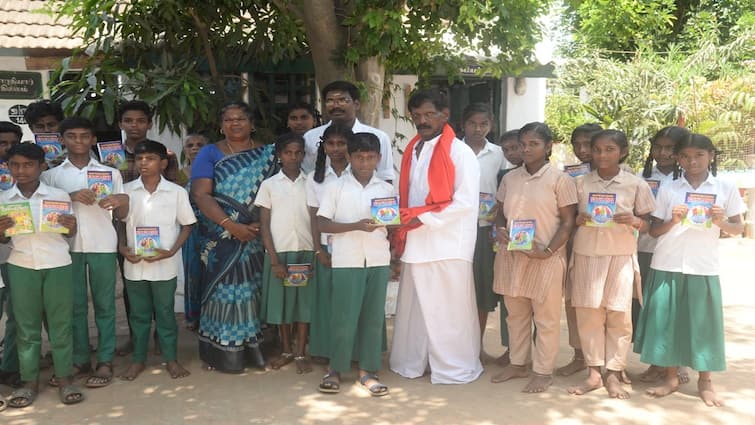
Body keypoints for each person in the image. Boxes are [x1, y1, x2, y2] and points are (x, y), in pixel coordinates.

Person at [634, 133, 744, 407]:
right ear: (677, 158)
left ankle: (705, 381)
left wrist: (720, 222)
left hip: (702, 266)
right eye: (685, 156)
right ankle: (670, 378)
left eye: (699, 155)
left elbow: (738, 228)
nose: (692, 161)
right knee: (667, 322)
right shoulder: (669, 189)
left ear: (711, 156)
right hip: (667, 262)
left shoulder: (725, 186)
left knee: (703, 325)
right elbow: (655, 231)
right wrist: (673, 220)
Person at [389, 88, 483, 384]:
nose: (422, 120)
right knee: (416, 308)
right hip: (416, 241)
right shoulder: (414, 148)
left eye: (429, 114)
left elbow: (465, 202)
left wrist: (421, 216)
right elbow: (407, 193)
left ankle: (453, 366)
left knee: (448, 310)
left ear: (445, 115)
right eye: (417, 115)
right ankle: (416, 361)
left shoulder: (460, 152)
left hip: (448, 243)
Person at [41, 117, 129, 389]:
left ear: (93, 140)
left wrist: (120, 201)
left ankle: (105, 359)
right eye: (71, 136)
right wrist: (70, 195)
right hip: (67, 248)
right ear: (62, 140)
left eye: (84, 136)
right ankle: (80, 359)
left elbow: (123, 213)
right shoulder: (51, 175)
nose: (78, 141)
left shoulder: (110, 172)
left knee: (105, 306)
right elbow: (46, 211)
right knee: (75, 306)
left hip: (103, 244)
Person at [567, 130, 655, 399]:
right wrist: (579, 220)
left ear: (623, 152)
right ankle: (594, 373)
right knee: (588, 314)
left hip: (620, 256)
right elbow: (568, 220)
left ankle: (614, 373)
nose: (602, 155)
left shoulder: (636, 184)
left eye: (609, 150)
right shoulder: (579, 183)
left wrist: (635, 221)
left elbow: (650, 224)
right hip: (586, 256)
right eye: (597, 150)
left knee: (619, 315)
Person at [191, 101, 278, 373]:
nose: (234, 123)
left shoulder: (268, 154)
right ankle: (222, 352)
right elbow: (201, 194)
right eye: (228, 119)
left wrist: (254, 226)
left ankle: (257, 350)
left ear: (252, 124)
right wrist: (231, 225)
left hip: (255, 233)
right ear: (221, 124)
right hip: (221, 236)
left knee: (253, 289)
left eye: (240, 118)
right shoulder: (209, 152)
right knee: (224, 290)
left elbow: (276, 195)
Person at [491, 122, 577, 393]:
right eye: (523, 144)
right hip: (513, 257)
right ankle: (518, 363)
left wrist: (548, 251)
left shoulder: (560, 180)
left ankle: (542, 370)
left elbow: (568, 222)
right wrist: (501, 229)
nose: (526, 149)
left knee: (546, 318)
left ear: (548, 146)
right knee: (515, 315)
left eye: (534, 144)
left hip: (545, 258)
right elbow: (501, 212)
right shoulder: (510, 178)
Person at [0, 143, 83, 408]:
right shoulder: (4, 200)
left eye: (28, 165)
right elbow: (3, 240)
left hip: (58, 263)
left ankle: (65, 378)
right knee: (26, 328)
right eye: (15, 165)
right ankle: (29, 382)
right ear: (8, 167)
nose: (21, 171)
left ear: (41, 166)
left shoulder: (58, 195)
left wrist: (71, 227)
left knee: (61, 325)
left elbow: (68, 234)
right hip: (22, 264)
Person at [316, 132, 392, 396]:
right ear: (349, 157)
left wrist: (392, 225)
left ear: (378, 158)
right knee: (343, 318)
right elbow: (322, 223)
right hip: (346, 259)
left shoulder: (386, 188)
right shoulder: (335, 187)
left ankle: (367, 371)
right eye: (359, 157)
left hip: (378, 259)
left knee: (372, 317)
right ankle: (335, 369)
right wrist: (355, 226)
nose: (364, 163)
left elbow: (392, 224)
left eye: (370, 157)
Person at [118, 140, 195, 381]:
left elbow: (187, 225)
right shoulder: (126, 190)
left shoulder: (176, 192)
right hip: (135, 264)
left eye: (150, 159)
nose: (143, 163)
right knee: (138, 316)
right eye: (139, 159)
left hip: (165, 264)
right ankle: (138, 360)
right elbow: (119, 223)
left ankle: (171, 359)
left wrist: (172, 251)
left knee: (165, 314)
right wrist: (122, 247)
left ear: (162, 163)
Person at [115, 100, 179, 357]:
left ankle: (159, 337)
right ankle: (135, 337)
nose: (134, 125)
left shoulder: (166, 155)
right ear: (121, 124)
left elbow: (175, 189)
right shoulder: (110, 155)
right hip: (125, 229)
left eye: (140, 120)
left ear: (149, 124)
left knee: (161, 292)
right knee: (133, 288)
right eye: (129, 121)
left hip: (159, 234)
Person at [635, 126, 690, 384]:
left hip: (679, 253)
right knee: (651, 308)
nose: (663, 153)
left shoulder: (689, 178)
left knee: (677, 308)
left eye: (670, 148)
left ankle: (677, 364)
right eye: (658, 147)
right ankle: (656, 361)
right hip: (644, 248)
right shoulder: (641, 176)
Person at [256, 133, 314, 374]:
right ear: (279, 155)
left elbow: (316, 219)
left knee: (303, 304)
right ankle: (286, 350)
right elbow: (264, 225)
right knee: (282, 305)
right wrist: (274, 259)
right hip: (280, 253)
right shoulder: (269, 185)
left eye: (298, 152)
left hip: (305, 252)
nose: (293, 157)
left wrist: (318, 250)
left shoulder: (311, 182)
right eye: (288, 152)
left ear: (303, 154)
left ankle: (301, 351)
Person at [556, 122, 603, 377]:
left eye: (589, 144)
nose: (583, 150)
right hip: (574, 246)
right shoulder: (569, 176)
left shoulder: (624, 175)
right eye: (578, 144)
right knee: (574, 303)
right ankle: (579, 355)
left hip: (608, 250)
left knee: (604, 305)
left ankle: (605, 361)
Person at [460, 103, 505, 362]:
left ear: (491, 126)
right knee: (457, 290)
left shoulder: (498, 154)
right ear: (463, 125)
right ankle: (456, 348)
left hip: (485, 230)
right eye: (473, 124)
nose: (478, 129)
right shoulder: (453, 150)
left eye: (484, 124)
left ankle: (476, 348)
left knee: (482, 291)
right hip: (456, 231)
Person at [306, 123, 353, 363]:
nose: (335, 149)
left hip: (355, 246)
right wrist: (317, 250)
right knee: (326, 301)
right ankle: (325, 350)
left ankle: (354, 351)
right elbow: (314, 218)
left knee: (351, 300)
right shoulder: (315, 179)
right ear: (323, 146)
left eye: (341, 143)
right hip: (326, 245)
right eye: (331, 144)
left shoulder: (360, 173)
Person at [302, 81, 394, 182]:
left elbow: (386, 178)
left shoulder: (379, 137)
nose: (336, 106)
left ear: (357, 104)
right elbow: (307, 174)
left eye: (342, 100)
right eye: (330, 101)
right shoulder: (311, 137)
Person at [179, 134, 209, 330]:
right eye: (190, 145)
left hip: (212, 229)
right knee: (193, 273)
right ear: (185, 150)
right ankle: (195, 316)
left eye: (200, 145)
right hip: (190, 230)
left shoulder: (215, 171)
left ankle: (211, 315)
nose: (195, 148)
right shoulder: (181, 174)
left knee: (211, 272)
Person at [0, 121, 21, 389]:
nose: (7, 149)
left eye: (12, 143)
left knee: (18, 313)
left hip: (19, 254)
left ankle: (11, 366)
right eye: (1, 143)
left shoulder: (28, 171)